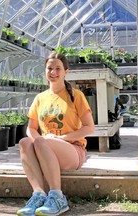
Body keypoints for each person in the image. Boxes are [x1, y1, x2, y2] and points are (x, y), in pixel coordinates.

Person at [17, 52, 95, 216]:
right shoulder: (40, 98)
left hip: (72, 150)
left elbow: (89, 128)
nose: (53, 72)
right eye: (49, 68)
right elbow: (30, 128)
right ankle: (38, 195)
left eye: (58, 68)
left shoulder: (76, 96)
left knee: (40, 142)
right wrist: (42, 141)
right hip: (45, 147)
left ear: (66, 71)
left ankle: (58, 198)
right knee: (25, 142)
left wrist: (60, 138)